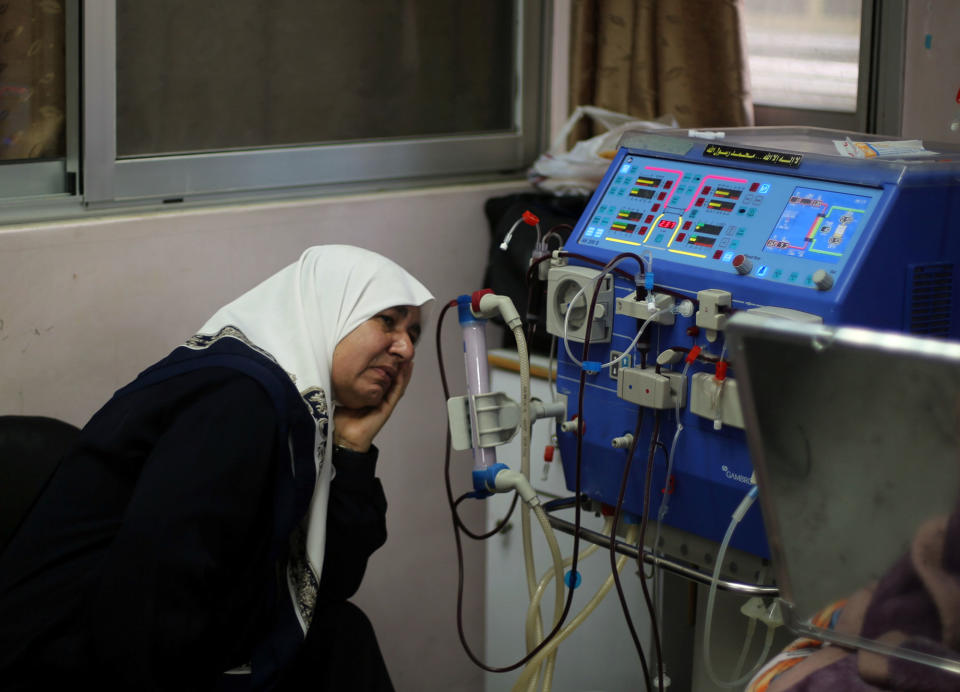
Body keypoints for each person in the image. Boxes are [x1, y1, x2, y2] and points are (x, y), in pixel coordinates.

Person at [0, 245, 434, 691]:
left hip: (171, 632)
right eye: (387, 321)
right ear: (329, 309)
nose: (403, 348)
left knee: (341, 633)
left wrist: (352, 447)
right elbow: (153, 586)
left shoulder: (294, 407)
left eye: (413, 335)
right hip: (71, 653)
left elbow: (331, 583)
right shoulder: (240, 398)